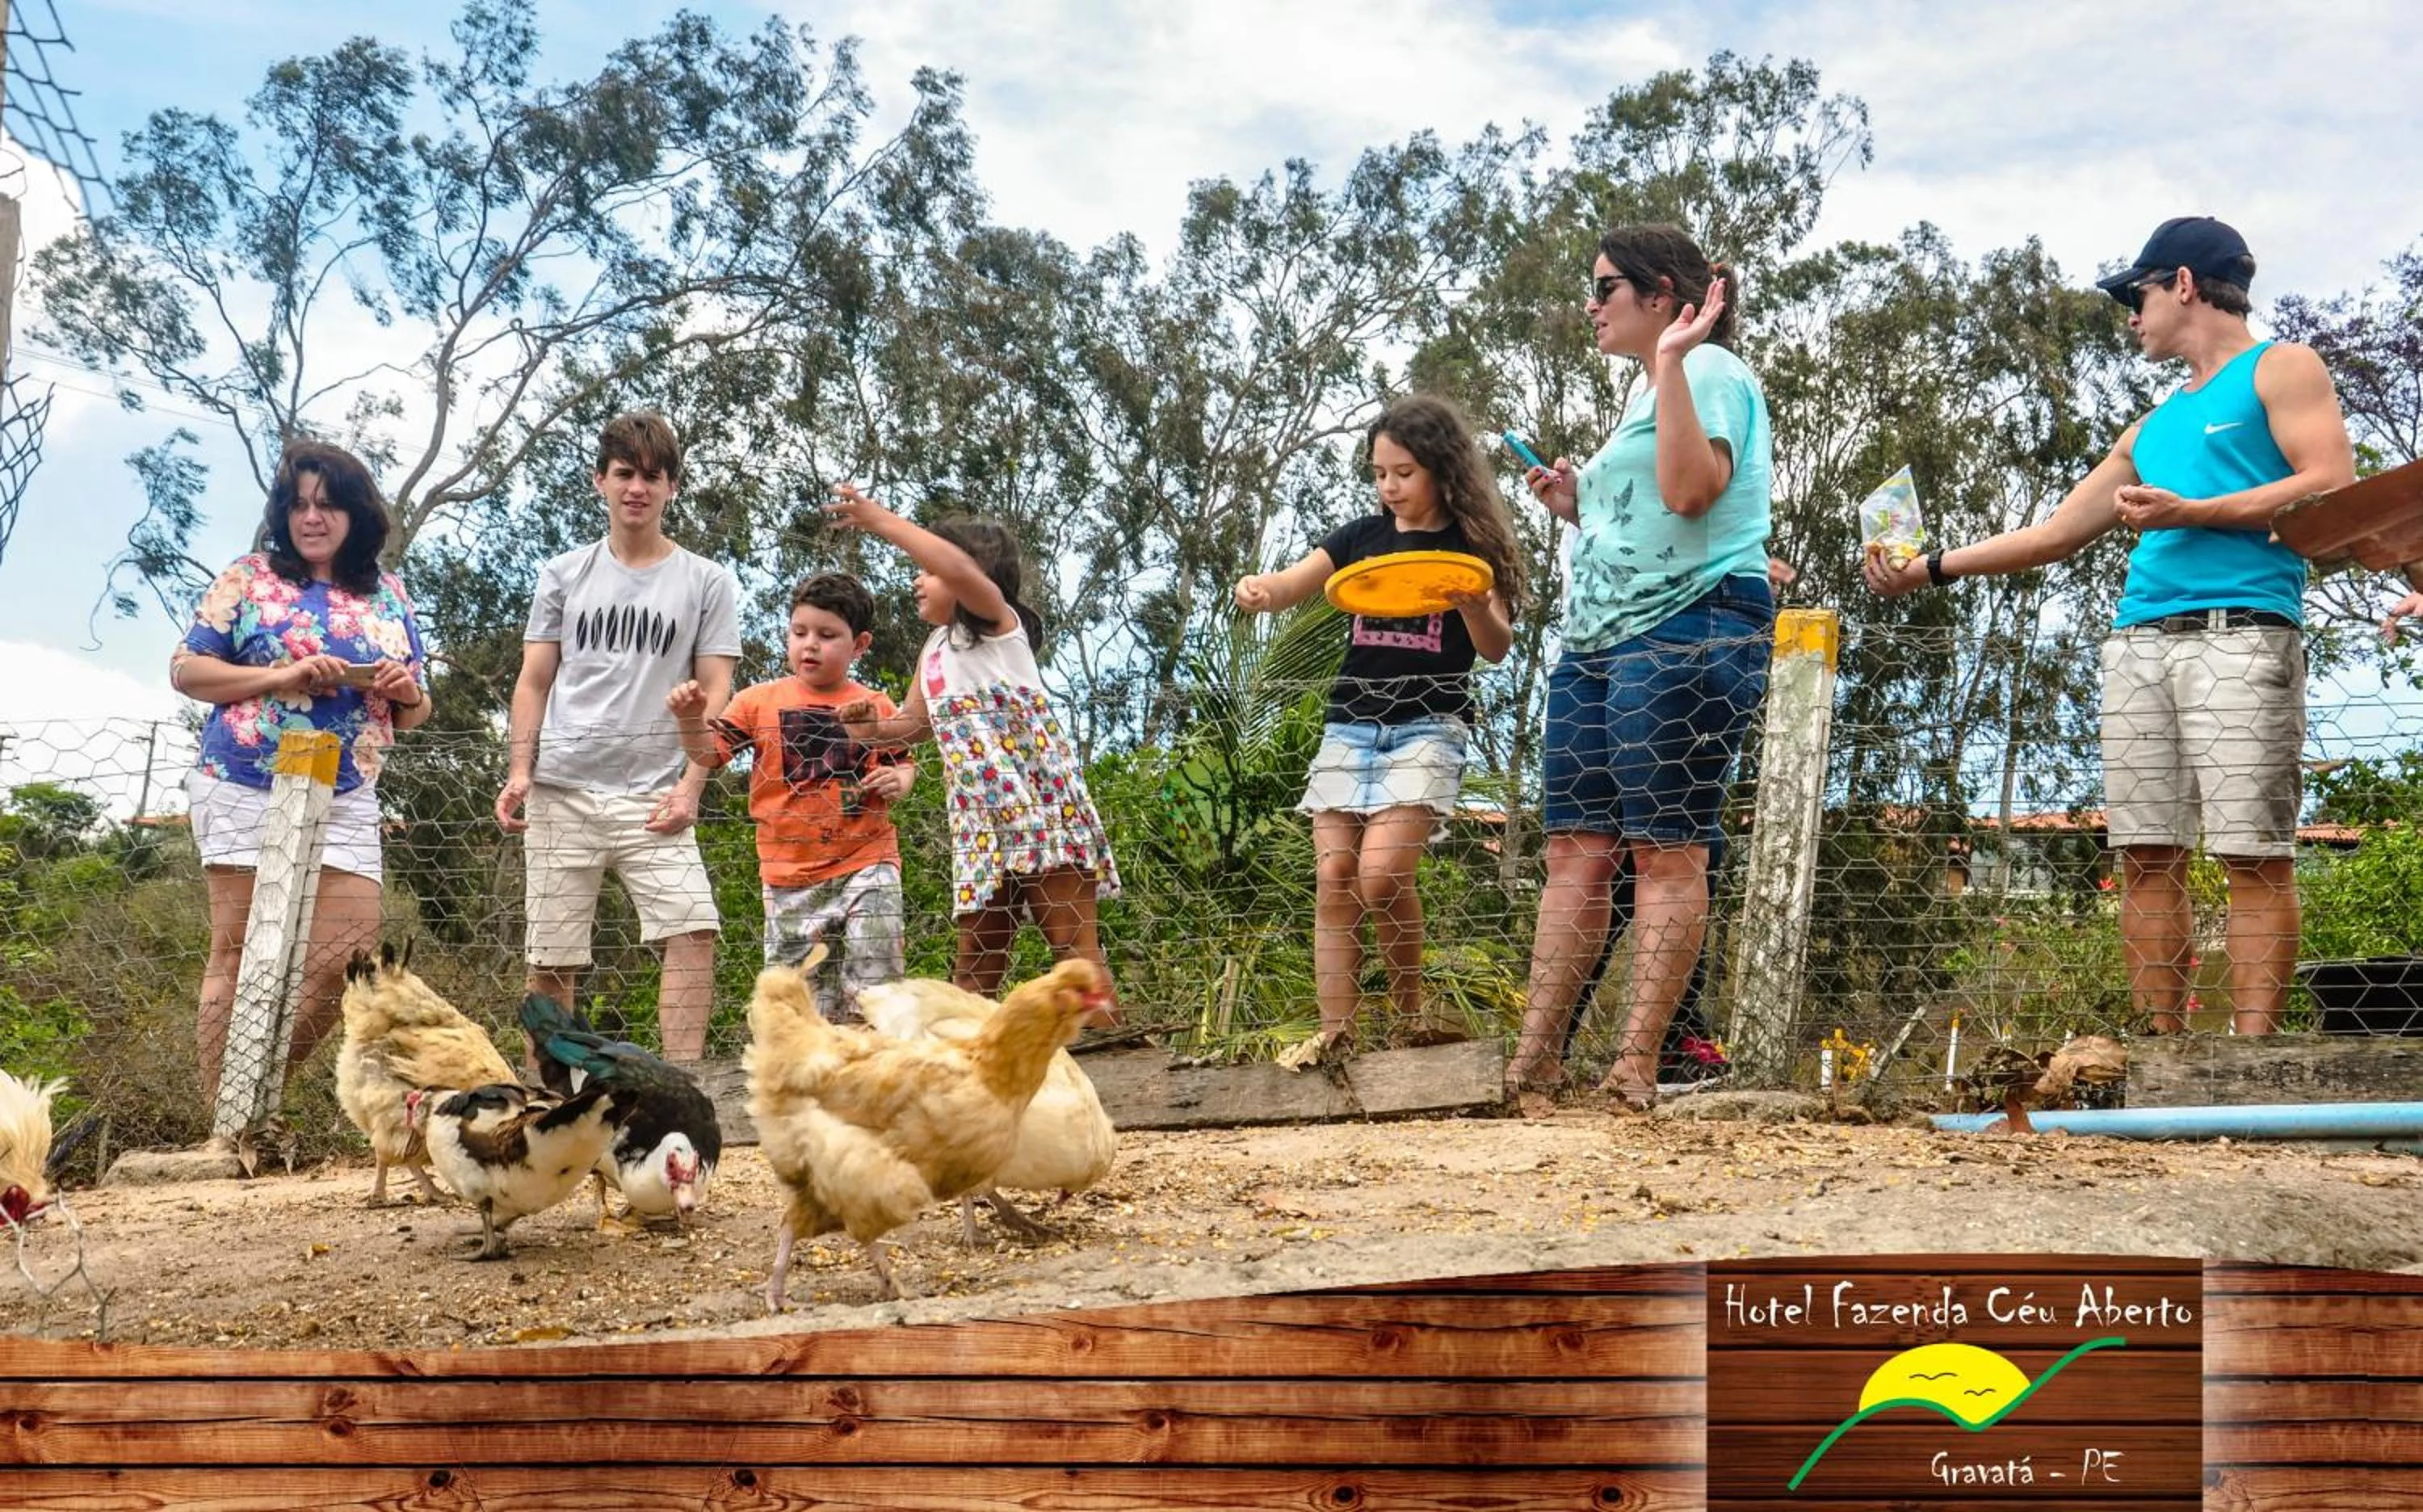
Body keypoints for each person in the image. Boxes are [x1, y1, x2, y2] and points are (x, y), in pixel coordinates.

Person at [1866, 216, 2356, 1035]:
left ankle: (2250, 1062)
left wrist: (2193, 511)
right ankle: (2161, 1049)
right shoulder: (2150, 428)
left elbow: (2329, 479)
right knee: (2145, 855)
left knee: (2251, 853)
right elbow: (2055, 534)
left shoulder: (2282, 367)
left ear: (2184, 285)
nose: (2132, 316)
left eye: (2139, 295)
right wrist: (1931, 566)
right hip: (2138, 645)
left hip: (2242, 635)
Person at [1503, 223, 1778, 1109]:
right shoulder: (1647, 391)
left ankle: (1635, 1069)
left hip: (1689, 626)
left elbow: (1693, 493)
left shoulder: (1708, 370)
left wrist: (1671, 360)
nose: (1591, 305)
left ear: (1662, 296)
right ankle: (1533, 1066)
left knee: (1666, 851)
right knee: (1575, 853)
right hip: (1597, 643)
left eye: (1605, 288)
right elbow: (1648, 516)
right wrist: (1575, 501)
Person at [1233, 393, 1524, 1064]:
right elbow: (1291, 585)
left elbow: (1497, 646)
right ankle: (1336, 1038)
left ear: (1443, 470)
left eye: (1404, 473)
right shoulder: (1361, 539)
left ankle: (1408, 1018)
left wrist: (1473, 607)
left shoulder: (1471, 548)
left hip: (1429, 727)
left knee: (1382, 876)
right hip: (1349, 726)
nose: (1389, 487)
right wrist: (1259, 590)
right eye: (1379, 473)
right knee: (1336, 874)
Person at [171, 441, 431, 1115]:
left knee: (346, 957)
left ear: (357, 514)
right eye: (298, 504)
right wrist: (282, 675)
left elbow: (417, 709)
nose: (311, 517)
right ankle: (225, 1129)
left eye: (328, 504)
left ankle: (249, 1098)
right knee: (236, 953)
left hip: (345, 787)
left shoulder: (389, 594)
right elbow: (188, 670)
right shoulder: (249, 577)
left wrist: (404, 690)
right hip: (243, 777)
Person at [494, 412, 741, 1064]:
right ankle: (551, 1099)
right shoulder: (563, 574)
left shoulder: (707, 582)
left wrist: (691, 787)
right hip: (562, 789)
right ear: (599, 480)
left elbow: (718, 690)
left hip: (656, 795)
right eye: (625, 473)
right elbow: (534, 680)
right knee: (553, 958)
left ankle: (682, 1085)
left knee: (693, 930)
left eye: (652, 477)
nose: (637, 488)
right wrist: (521, 771)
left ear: (672, 488)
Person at [825, 486, 1120, 1009]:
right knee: (975, 966)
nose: (918, 579)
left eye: (929, 569)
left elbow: (958, 570)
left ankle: (1112, 1056)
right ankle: (978, 1056)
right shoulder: (935, 649)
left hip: (1040, 810)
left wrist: (880, 520)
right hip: (980, 825)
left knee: (1074, 954)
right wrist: (869, 729)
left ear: (971, 576)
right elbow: (912, 726)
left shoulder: (999, 625)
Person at [669, 572, 914, 1023]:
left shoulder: (874, 704)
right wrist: (689, 719)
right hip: (789, 875)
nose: (810, 645)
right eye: (799, 633)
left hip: (867, 861)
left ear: (860, 644)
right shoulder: (757, 701)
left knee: (877, 985)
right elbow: (709, 753)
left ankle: (872, 1057)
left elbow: (903, 759)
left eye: (827, 635)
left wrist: (899, 780)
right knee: (798, 1002)